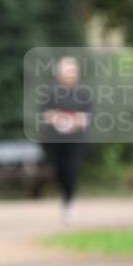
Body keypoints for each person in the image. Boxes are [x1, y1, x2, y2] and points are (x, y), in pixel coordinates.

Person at [40, 55, 91, 225]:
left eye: (72, 71)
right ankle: (65, 196)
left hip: (75, 139)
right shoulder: (50, 92)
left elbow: (86, 118)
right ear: (59, 73)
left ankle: (68, 202)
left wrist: (73, 121)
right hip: (55, 140)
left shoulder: (83, 93)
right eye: (66, 71)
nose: (69, 74)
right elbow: (46, 115)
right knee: (59, 171)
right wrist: (59, 119)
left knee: (71, 169)